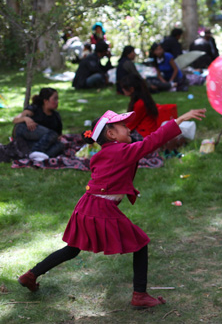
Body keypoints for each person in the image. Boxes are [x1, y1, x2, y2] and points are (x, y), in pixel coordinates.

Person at [18, 107, 206, 308]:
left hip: (86, 205)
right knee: (140, 244)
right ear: (111, 134)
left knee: (73, 249)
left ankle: (31, 275)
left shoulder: (108, 152)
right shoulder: (121, 151)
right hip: (100, 208)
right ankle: (139, 295)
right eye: (123, 126)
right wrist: (179, 121)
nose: (128, 129)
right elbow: (151, 142)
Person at [12, 87, 64, 161]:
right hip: (24, 131)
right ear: (46, 101)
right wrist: (25, 119)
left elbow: (59, 135)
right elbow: (15, 120)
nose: (57, 102)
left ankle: (38, 156)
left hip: (38, 141)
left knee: (60, 145)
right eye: (54, 99)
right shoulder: (34, 108)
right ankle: (37, 152)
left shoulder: (56, 116)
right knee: (52, 134)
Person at [120, 74, 178, 139]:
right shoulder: (143, 99)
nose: (122, 90)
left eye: (123, 88)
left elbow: (132, 124)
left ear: (131, 89)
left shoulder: (140, 103)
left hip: (145, 135)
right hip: (147, 132)